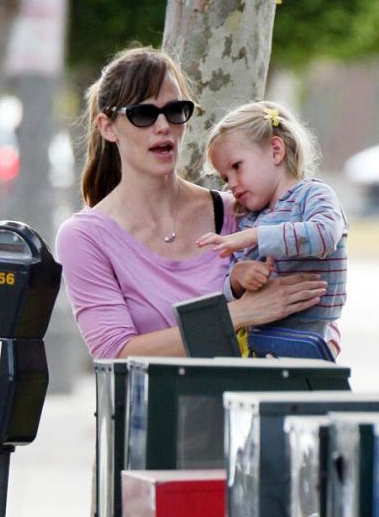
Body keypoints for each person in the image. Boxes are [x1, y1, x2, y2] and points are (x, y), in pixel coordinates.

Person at [55, 48, 329, 360]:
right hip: (151, 408)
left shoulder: (234, 211)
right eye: (143, 114)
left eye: (175, 110)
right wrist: (239, 314)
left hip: (244, 404)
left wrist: (325, 337)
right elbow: (115, 353)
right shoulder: (84, 237)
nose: (163, 126)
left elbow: (303, 288)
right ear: (107, 127)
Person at [197, 100, 347, 356]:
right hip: (260, 345)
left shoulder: (313, 194)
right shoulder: (251, 217)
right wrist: (237, 278)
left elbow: (325, 234)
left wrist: (254, 237)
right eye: (225, 178)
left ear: (276, 150)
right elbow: (233, 287)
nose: (231, 184)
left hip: (309, 342)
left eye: (237, 167)